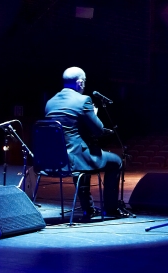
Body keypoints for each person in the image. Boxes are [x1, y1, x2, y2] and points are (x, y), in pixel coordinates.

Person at [44, 67, 129, 219]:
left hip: (53, 160)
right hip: (76, 159)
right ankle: (111, 208)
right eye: (84, 82)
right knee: (116, 161)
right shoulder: (83, 100)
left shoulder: (50, 103)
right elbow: (98, 130)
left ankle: (87, 208)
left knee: (82, 151)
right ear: (79, 82)